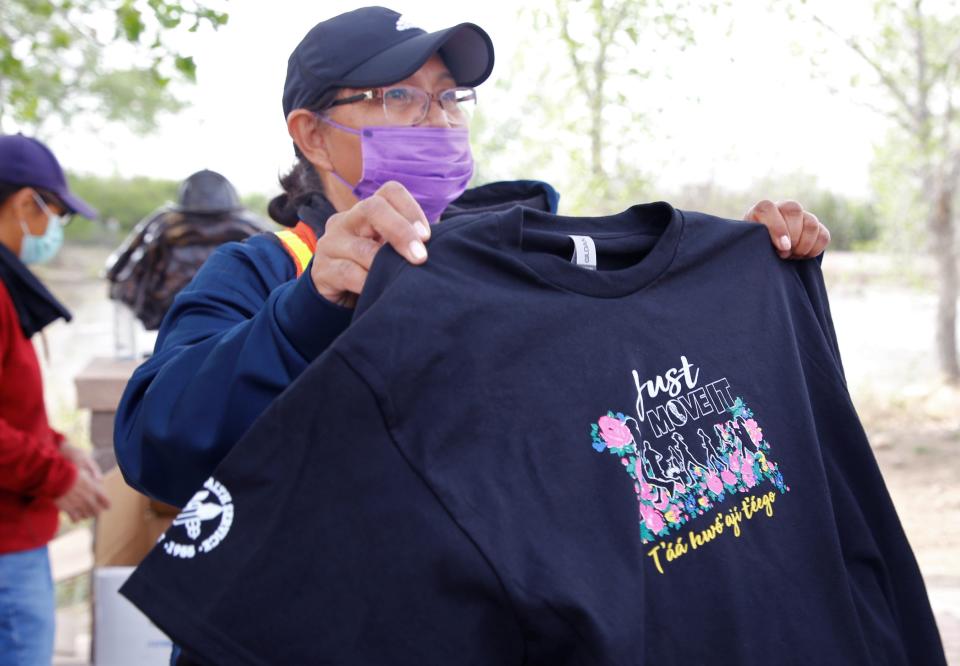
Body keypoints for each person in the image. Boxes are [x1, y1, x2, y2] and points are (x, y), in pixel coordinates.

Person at [114, 6, 831, 510]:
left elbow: (630, 394)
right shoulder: (266, 273)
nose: (440, 120)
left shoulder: (517, 259)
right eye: (400, 96)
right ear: (311, 135)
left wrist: (731, 273)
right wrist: (306, 314)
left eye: (451, 97)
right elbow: (158, 452)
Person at [0, 134, 109, 665]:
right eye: (56, 213)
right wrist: (56, 477)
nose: (54, 231)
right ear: (25, 204)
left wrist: (57, 445)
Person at [106, 169, 268, 330]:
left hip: (172, 308)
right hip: (237, 307)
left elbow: (116, 270)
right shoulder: (252, 226)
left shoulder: (161, 224)